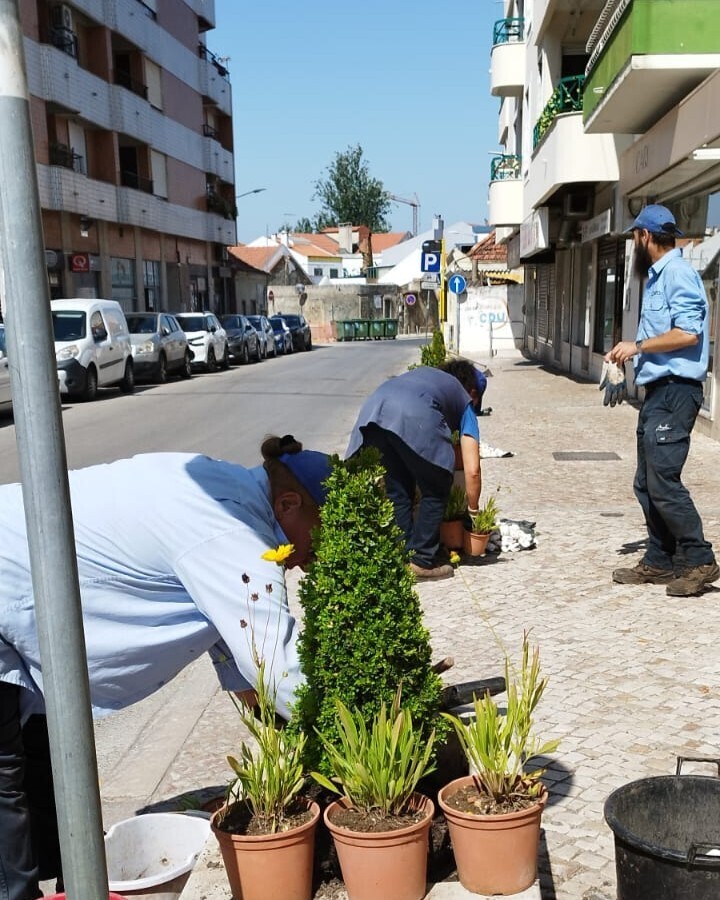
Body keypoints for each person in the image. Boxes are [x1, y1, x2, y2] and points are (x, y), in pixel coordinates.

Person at [0, 435, 331, 900]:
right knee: (4, 776)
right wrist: (349, 742)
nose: (316, 558)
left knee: (43, 756)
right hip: (9, 577)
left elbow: (240, 659)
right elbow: (281, 675)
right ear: (289, 503)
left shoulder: (227, 490)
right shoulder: (232, 531)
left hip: (22, 582)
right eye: (323, 534)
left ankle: (71, 882)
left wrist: (279, 736)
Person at [606, 204, 718, 597]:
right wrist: (628, 358)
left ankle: (700, 559)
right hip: (659, 391)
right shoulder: (658, 276)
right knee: (646, 482)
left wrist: (637, 347)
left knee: (663, 481)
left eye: (635, 237)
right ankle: (659, 560)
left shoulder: (677, 274)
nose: (635, 244)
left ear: (646, 236)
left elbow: (688, 333)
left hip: (676, 391)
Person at [346, 359, 486, 580]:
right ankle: (422, 560)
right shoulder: (463, 397)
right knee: (437, 485)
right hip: (411, 415)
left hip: (374, 414)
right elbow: (473, 469)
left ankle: (404, 557)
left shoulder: (426, 378)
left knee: (398, 489)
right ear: (473, 393)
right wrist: (473, 511)